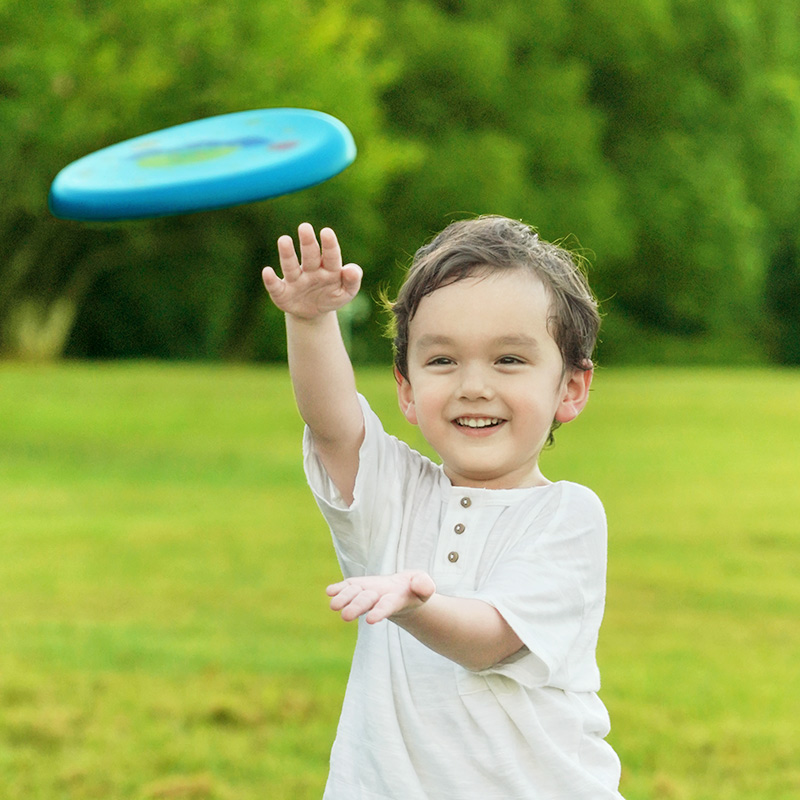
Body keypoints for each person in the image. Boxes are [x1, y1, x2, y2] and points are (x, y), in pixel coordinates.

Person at [262, 216, 625, 799]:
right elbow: (332, 426)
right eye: (442, 361)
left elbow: (490, 640)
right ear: (406, 390)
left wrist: (415, 605)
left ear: (570, 389)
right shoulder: (395, 495)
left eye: (509, 360)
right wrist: (309, 319)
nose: (473, 386)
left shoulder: (567, 516)